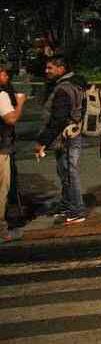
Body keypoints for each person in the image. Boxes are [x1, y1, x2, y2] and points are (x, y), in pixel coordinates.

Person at [34, 56, 88, 225]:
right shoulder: (76, 83)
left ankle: (77, 211)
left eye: (50, 68)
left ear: (61, 68)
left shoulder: (64, 88)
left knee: (70, 174)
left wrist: (42, 142)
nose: (46, 71)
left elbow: (58, 119)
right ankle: (67, 204)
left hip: (67, 137)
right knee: (65, 173)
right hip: (71, 135)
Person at [1, 67, 29, 240]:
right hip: (1, 149)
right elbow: (11, 118)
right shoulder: (1, 95)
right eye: (2, 73)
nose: (6, 76)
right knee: (1, 191)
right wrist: (20, 102)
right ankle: (2, 232)